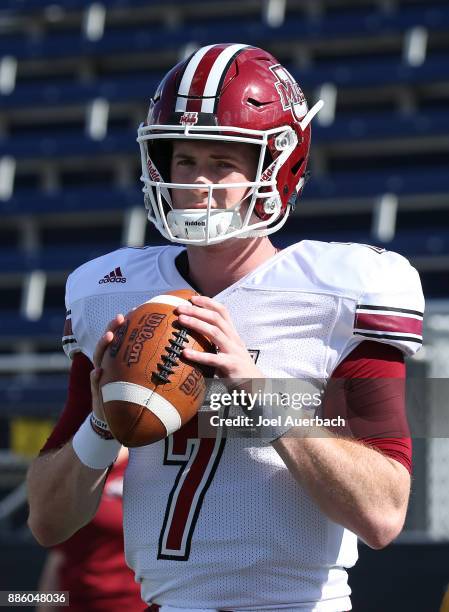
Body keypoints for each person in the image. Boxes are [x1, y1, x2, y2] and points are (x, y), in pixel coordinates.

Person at [27, 43, 424, 611]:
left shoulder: (341, 292)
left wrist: (262, 397)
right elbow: (47, 522)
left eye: (222, 162)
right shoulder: (109, 293)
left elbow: (383, 515)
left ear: (275, 168)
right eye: (184, 161)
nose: (197, 183)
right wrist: (100, 423)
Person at [36, 447, 143, 612]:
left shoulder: (150, 466)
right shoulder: (74, 469)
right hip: (76, 604)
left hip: (134, 605)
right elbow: (59, 556)